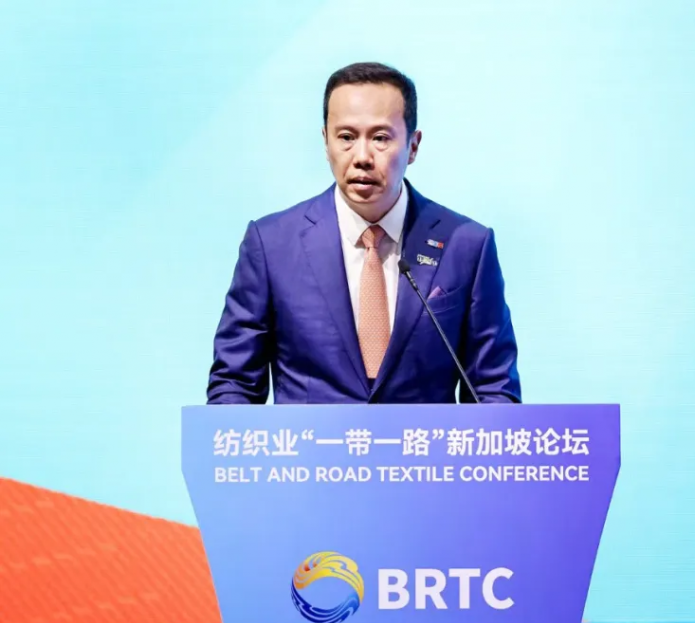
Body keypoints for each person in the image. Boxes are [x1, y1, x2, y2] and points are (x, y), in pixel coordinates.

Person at [206, 62, 521, 404]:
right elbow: (234, 384)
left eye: (380, 138)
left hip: (420, 441)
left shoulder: (467, 245)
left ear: (413, 146)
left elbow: (492, 388)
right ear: (325, 141)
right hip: (312, 441)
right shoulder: (271, 244)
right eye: (346, 137)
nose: (362, 157)